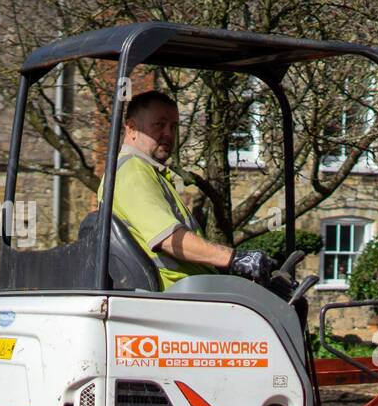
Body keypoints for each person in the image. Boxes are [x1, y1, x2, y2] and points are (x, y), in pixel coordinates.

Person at [102, 89, 272, 289]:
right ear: (131, 128)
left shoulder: (147, 172)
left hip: (189, 293)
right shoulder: (133, 172)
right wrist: (235, 258)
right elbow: (169, 238)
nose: (168, 133)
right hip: (179, 297)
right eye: (159, 125)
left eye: (173, 126)